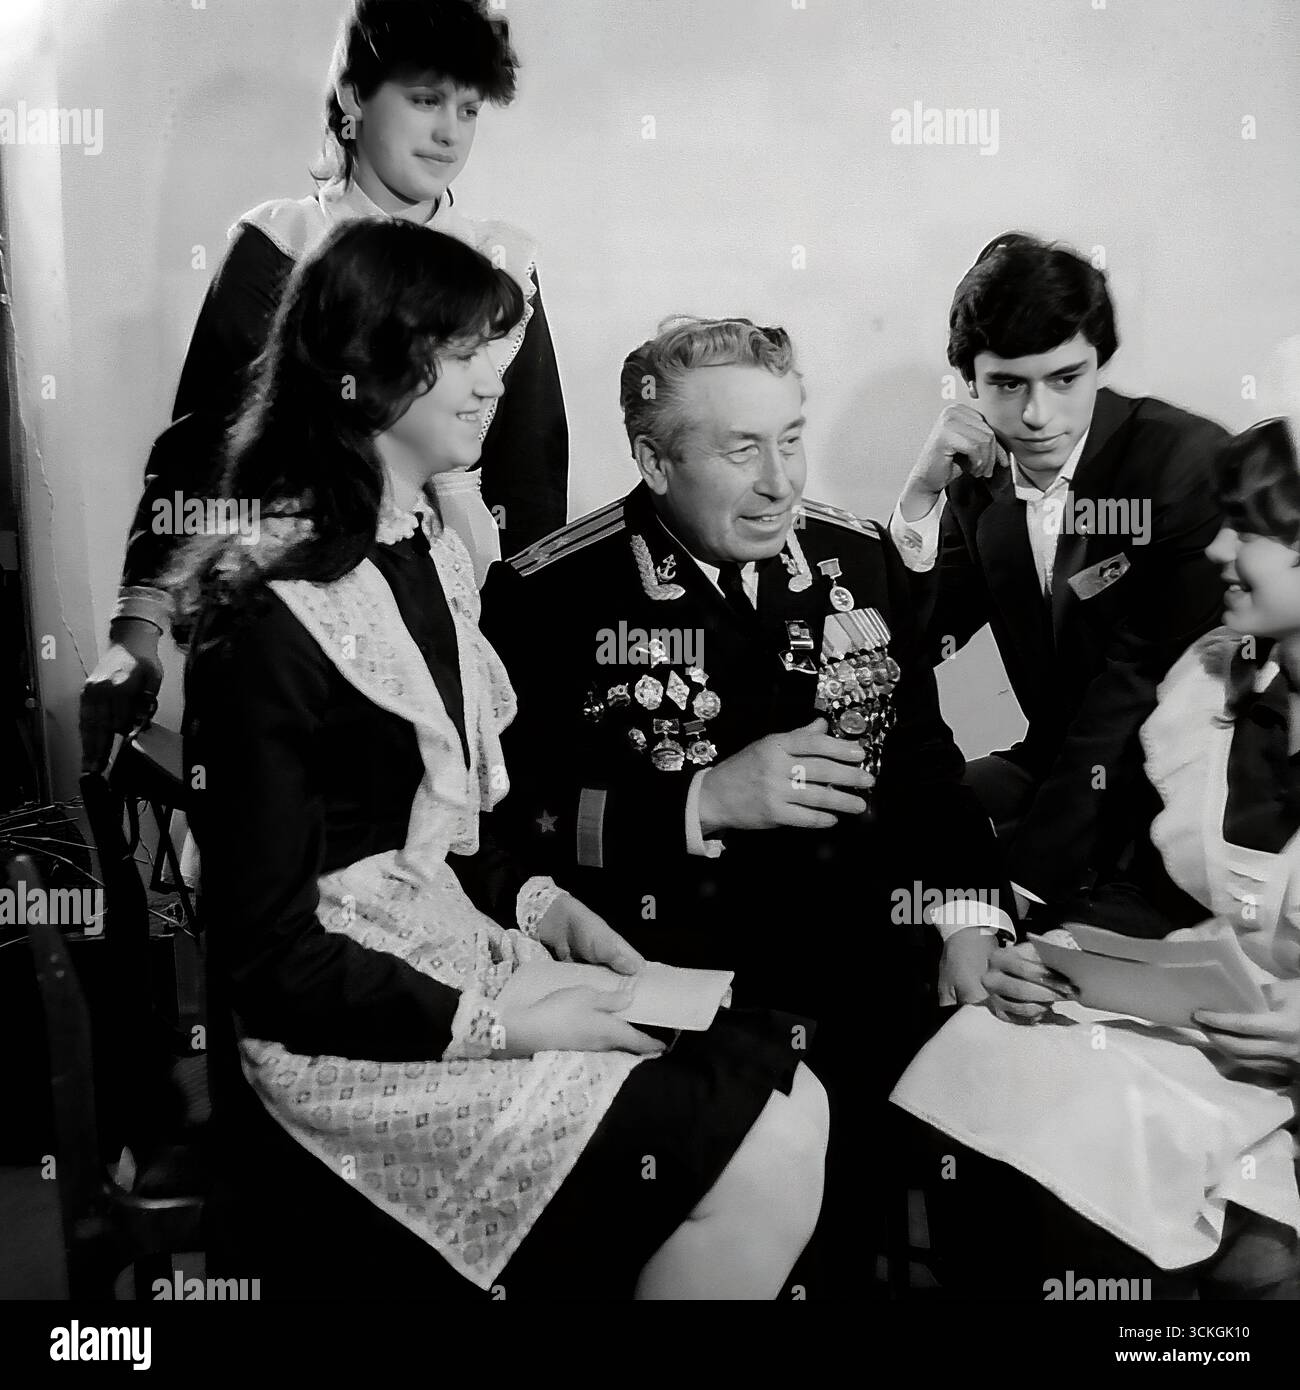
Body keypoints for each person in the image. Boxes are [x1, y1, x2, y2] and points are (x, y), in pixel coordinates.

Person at [177, 220, 827, 1301]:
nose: (498, 376)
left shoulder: (422, 549)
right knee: (760, 1136)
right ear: (371, 366)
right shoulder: (263, 604)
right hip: (339, 1034)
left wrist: (542, 907)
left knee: (786, 1094)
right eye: (466, 351)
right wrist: (508, 1020)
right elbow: (269, 959)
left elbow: (438, 839)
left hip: (443, 951)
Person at [479, 315, 1012, 1289]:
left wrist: (968, 913)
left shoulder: (856, 559)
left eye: (791, 439)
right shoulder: (549, 592)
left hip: (865, 976)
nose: (779, 482)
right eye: (739, 450)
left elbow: (926, 767)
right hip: (677, 990)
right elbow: (505, 831)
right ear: (652, 457)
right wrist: (700, 803)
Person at [81, 0, 567, 774]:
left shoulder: (502, 261)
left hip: (468, 573)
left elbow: (533, 467)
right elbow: (204, 446)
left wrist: (539, 637)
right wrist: (137, 624)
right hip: (310, 565)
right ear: (351, 96)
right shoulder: (283, 244)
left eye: (469, 110)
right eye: (424, 99)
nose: (449, 132)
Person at [892, 416, 1300, 1300]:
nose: (1218, 547)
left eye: (1252, 532)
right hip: (1224, 1033)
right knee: (996, 1048)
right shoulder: (1210, 685)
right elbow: (1152, 877)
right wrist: (1061, 951)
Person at [889, 232, 1226, 966]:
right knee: (886, 840)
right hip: (1051, 768)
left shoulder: (1178, 464)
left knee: (1004, 945)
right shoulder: (978, 477)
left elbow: (1125, 701)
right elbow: (908, 641)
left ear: (1098, 361)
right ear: (969, 383)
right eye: (1009, 385)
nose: (1039, 415)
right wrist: (918, 499)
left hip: (1177, 797)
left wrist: (1011, 892)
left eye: (1066, 379)